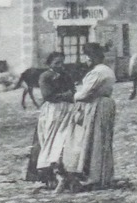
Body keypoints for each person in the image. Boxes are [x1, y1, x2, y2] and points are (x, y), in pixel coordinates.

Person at [58, 44, 118, 192]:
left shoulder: (96, 73)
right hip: (106, 104)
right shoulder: (107, 70)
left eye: (86, 57)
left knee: (95, 140)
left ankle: (95, 176)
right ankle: (103, 175)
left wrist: (73, 95)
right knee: (102, 140)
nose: (85, 60)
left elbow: (84, 94)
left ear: (92, 57)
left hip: (96, 105)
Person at [24, 53, 76, 187]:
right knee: (48, 139)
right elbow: (48, 95)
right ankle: (47, 176)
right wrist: (67, 95)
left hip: (67, 110)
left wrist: (71, 95)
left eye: (62, 63)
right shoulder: (45, 76)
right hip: (52, 111)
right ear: (49, 64)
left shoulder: (66, 74)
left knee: (64, 139)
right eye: (56, 63)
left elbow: (73, 90)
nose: (60, 66)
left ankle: (65, 172)